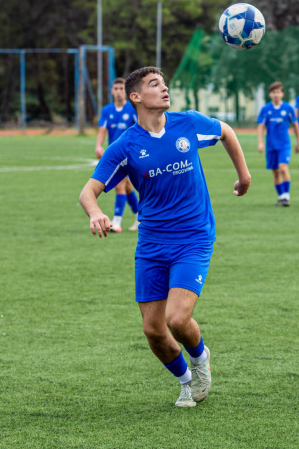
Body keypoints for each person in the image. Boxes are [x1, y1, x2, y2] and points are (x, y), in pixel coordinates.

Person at [78, 66, 251, 408]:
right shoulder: (125, 146)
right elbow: (88, 191)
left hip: (194, 237)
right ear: (136, 97)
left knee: (177, 318)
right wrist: (96, 212)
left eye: (164, 83)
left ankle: (201, 360)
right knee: (154, 331)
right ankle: (186, 381)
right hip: (152, 244)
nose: (165, 88)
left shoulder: (186, 122)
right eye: (154, 84)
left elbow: (227, 132)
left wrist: (243, 177)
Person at [96, 78, 140, 232]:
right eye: (116, 88)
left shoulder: (132, 110)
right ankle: (140, 218)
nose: (119, 91)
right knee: (127, 187)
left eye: (122, 88)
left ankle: (116, 222)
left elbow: (140, 128)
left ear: (126, 92)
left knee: (119, 184)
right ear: (112, 91)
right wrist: (98, 146)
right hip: (114, 155)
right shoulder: (107, 110)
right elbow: (103, 129)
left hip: (130, 155)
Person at [257, 81, 299, 206]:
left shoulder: (288, 108)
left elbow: (295, 125)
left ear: (282, 94)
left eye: (278, 92)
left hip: (284, 144)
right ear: (270, 94)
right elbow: (260, 126)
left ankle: (286, 195)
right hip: (271, 145)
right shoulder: (266, 109)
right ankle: (281, 197)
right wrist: (260, 142)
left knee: (283, 167)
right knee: (275, 172)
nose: (276, 95)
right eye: (273, 92)